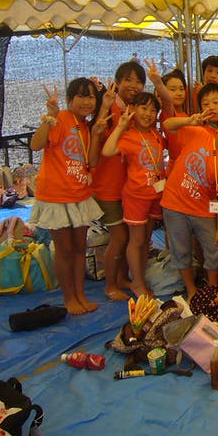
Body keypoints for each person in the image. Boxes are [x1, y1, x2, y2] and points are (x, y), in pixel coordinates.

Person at [29, 79, 103, 315]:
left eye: (90, 97)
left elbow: (91, 162)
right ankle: (69, 298)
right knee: (65, 249)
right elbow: (36, 145)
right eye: (81, 96)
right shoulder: (60, 118)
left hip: (80, 194)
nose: (86, 101)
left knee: (80, 248)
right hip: (56, 196)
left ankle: (80, 294)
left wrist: (97, 135)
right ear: (70, 100)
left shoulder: (87, 126)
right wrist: (49, 116)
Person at [161, 109, 218, 295]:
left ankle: (212, 289)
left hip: (203, 210)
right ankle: (191, 290)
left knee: (215, 249)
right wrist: (189, 121)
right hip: (174, 204)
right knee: (180, 250)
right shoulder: (200, 134)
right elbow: (167, 125)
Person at [89, 61, 146, 301]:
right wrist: (104, 107)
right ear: (117, 82)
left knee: (128, 237)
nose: (133, 85)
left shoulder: (134, 111)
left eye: (138, 81)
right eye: (128, 80)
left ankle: (122, 277)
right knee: (120, 237)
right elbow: (96, 140)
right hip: (107, 187)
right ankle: (110, 285)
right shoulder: (110, 109)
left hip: (128, 187)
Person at [101, 92, 165, 297]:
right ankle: (137, 283)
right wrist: (121, 126)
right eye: (143, 108)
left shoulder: (156, 135)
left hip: (155, 193)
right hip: (136, 195)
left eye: (153, 110)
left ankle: (139, 277)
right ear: (133, 109)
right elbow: (107, 151)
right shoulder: (128, 136)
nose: (148, 114)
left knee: (146, 239)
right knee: (136, 240)